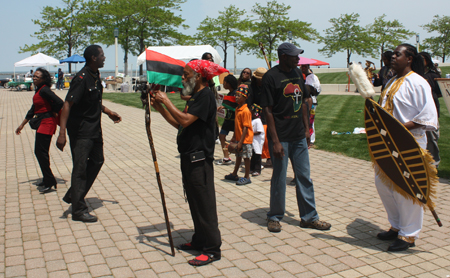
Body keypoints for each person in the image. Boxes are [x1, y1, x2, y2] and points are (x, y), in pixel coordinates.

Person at [151, 59, 226, 266]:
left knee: (205, 205)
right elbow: (180, 124)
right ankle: (199, 240)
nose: (182, 77)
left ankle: (212, 249)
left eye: (186, 74)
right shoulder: (195, 97)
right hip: (189, 158)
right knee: (194, 202)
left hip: (199, 160)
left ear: (199, 77)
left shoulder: (205, 97)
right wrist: (159, 105)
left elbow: (184, 120)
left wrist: (166, 101)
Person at [260, 42, 331, 233]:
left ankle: (309, 217)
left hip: (298, 136)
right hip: (280, 137)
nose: (298, 59)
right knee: (279, 178)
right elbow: (267, 110)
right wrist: (274, 141)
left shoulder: (298, 74)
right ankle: (274, 216)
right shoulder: (270, 77)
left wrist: (307, 129)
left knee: (304, 177)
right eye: (294, 56)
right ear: (283, 56)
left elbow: (305, 102)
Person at [375, 44, 438, 251]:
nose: (392, 57)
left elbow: (428, 117)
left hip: (408, 143)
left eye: (397, 54)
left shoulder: (418, 83)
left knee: (406, 190)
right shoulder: (392, 80)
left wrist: (398, 128)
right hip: (387, 143)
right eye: (393, 54)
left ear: (409, 58)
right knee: (384, 185)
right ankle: (396, 226)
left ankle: (408, 235)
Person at [56, 45, 122, 223]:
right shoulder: (81, 78)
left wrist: (108, 111)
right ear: (93, 58)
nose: (104, 58)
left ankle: (74, 193)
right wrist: (61, 133)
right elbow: (67, 105)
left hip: (95, 129)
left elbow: (93, 102)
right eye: (102, 55)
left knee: (98, 161)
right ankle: (78, 210)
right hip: (81, 131)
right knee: (80, 169)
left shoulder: (95, 75)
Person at [15, 68, 63, 193]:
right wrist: (22, 125)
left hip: (47, 123)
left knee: (41, 152)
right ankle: (48, 179)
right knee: (40, 152)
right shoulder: (39, 90)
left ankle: (50, 180)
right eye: (33, 76)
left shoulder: (45, 90)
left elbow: (59, 102)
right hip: (42, 123)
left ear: (43, 79)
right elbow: (33, 109)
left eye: (37, 77)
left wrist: (54, 112)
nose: (34, 78)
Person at [224, 85, 253, 185]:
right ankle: (234, 174)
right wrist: (234, 137)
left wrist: (240, 142)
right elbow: (237, 126)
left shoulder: (245, 111)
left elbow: (245, 127)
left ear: (245, 97)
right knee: (238, 156)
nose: (236, 97)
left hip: (245, 139)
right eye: (236, 95)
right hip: (239, 138)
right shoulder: (237, 109)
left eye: (239, 95)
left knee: (246, 158)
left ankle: (247, 177)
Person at [420, 51, 442, 167]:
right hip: (418, 111)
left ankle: (434, 163)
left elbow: (439, 93)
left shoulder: (433, 75)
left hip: (431, 110)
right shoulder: (416, 74)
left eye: (421, 59)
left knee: (432, 137)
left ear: (427, 61)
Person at [248, 67, 270, 167]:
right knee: (257, 138)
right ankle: (257, 159)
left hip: (266, 114)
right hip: (255, 115)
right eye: (259, 78)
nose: (261, 81)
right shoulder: (251, 87)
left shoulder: (267, 86)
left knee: (266, 138)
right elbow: (249, 102)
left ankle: (269, 157)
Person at [216, 75, 238, 165]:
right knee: (221, 136)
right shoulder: (229, 93)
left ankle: (241, 157)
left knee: (237, 139)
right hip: (228, 120)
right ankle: (226, 157)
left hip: (235, 120)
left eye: (224, 82)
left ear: (229, 83)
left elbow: (236, 106)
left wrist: (225, 106)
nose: (223, 84)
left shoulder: (236, 93)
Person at [301, 64, 321, 147]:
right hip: (302, 101)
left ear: (308, 67)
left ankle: (311, 139)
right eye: (302, 66)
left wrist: (311, 91)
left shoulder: (313, 77)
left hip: (311, 101)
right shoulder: (299, 76)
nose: (303, 68)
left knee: (310, 120)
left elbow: (318, 89)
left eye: (305, 66)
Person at [250, 104, 265, 176]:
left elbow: (259, 131)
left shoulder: (258, 121)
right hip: (253, 141)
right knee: (253, 155)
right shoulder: (253, 120)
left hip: (257, 141)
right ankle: (251, 168)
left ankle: (257, 169)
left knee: (257, 155)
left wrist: (251, 133)